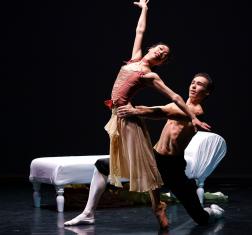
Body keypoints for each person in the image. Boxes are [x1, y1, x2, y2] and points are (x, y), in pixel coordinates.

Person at [99, 0, 210, 229]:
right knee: (124, 166)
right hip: (125, 123)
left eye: (164, 55)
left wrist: (193, 118)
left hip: (168, 159)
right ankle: (156, 206)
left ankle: (206, 213)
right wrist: (145, 9)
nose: (161, 52)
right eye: (159, 49)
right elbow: (139, 31)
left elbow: (174, 99)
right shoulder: (134, 60)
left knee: (197, 214)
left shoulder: (150, 76)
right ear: (150, 49)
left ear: (162, 62)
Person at [64, 73, 224, 228]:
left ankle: (213, 211)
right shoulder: (179, 104)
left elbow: (163, 112)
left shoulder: (196, 112)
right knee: (102, 165)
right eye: (193, 82)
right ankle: (88, 213)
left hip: (173, 167)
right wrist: (125, 106)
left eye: (200, 84)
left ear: (207, 92)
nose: (194, 86)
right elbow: (155, 108)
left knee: (201, 218)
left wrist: (135, 111)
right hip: (153, 158)